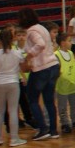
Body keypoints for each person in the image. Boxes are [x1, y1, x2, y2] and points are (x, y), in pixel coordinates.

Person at [18, 7, 59, 141]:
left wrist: (28, 56)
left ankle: (43, 129)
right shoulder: (42, 28)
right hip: (53, 66)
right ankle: (53, 130)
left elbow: (40, 44)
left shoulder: (31, 31)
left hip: (42, 69)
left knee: (32, 99)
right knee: (49, 100)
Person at [0, 28, 24, 147]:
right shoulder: (18, 53)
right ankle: (14, 138)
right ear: (12, 39)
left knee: (0, 111)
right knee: (12, 110)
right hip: (13, 83)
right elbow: (23, 68)